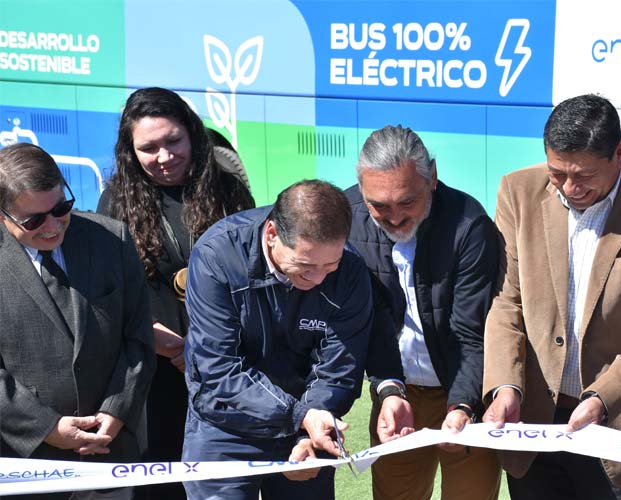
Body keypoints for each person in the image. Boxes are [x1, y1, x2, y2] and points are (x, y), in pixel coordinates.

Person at [482, 94, 621, 500]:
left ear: (619, 152)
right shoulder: (518, 191)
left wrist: (600, 398)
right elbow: (506, 303)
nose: (568, 187)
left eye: (582, 176)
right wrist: (505, 387)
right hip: (534, 426)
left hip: (618, 431)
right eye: (556, 173)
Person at [96, 87, 254, 499]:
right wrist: (168, 346)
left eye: (173, 141)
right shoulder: (116, 201)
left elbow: (250, 277)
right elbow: (108, 296)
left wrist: (207, 350)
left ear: (192, 134)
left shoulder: (227, 189)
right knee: (161, 481)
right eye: (149, 148)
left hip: (224, 367)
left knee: (221, 483)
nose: (164, 157)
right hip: (153, 370)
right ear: (131, 152)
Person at [181, 179, 373, 500]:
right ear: (271, 234)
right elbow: (219, 367)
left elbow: (340, 368)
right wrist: (298, 417)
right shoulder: (217, 255)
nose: (318, 279)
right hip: (224, 426)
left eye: (331, 265)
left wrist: (306, 432)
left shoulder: (351, 271)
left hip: (307, 426)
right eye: (306, 265)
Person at [345, 125, 501, 500]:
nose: (395, 218)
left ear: (432, 176)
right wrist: (388, 390)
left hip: (466, 392)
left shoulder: (470, 225)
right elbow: (364, 323)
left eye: (407, 202)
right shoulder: (347, 218)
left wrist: (463, 404)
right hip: (398, 398)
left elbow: (471, 332)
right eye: (378, 206)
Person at [0, 143, 155, 500]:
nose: (53, 227)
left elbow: (137, 337)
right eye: (34, 220)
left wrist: (117, 410)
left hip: (111, 458)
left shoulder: (111, 239)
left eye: (61, 208)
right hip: (27, 465)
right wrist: (47, 428)